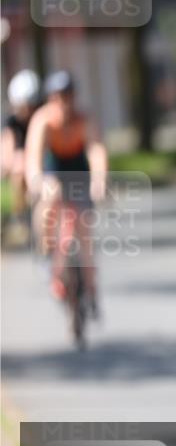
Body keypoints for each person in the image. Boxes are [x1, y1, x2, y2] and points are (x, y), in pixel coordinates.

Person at [24, 71, 107, 314]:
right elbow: (33, 158)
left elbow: (96, 150)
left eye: (68, 96)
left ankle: (91, 286)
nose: (64, 102)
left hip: (79, 174)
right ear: (51, 98)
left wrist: (99, 179)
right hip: (53, 173)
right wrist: (35, 182)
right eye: (59, 97)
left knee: (83, 228)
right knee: (48, 200)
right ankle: (46, 252)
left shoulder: (84, 120)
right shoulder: (43, 122)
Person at [2, 69, 41, 245]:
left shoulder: (41, 118)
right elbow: (8, 150)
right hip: (22, 166)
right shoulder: (12, 123)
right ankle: (19, 214)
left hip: (40, 162)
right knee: (18, 166)